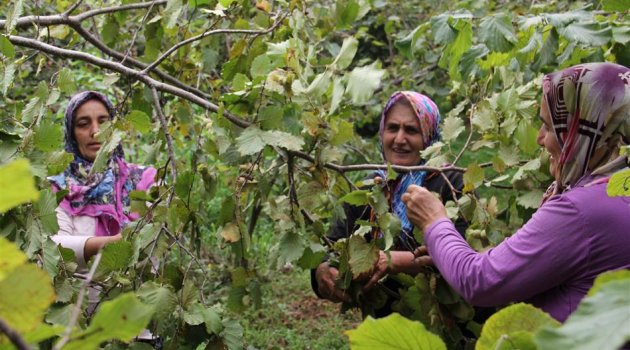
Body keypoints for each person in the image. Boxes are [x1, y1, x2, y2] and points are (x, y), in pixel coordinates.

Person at [403, 62, 630, 323]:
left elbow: (480, 280)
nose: (540, 139)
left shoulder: (581, 211)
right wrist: (447, 254)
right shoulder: (618, 190)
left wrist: (434, 221)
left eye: (549, 126)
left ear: (581, 131)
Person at [311, 91, 467, 314]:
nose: (399, 139)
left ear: (429, 136)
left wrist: (397, 261)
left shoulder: (451, 183)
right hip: (381, 325)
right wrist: (322, 270)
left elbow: (468, 260)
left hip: (441, 321)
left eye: (412, 130)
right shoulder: (368, 188)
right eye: (393, 128)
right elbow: (333, 243)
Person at [49, 91, 156, 269]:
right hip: (81, 296)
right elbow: (55, 250)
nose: (96, 132)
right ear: (71, 133)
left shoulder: (144, 179)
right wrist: (116, 243)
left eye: (104, 122)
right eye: (83, 124)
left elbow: (161, 229)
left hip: (139, 295)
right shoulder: (58, 189)